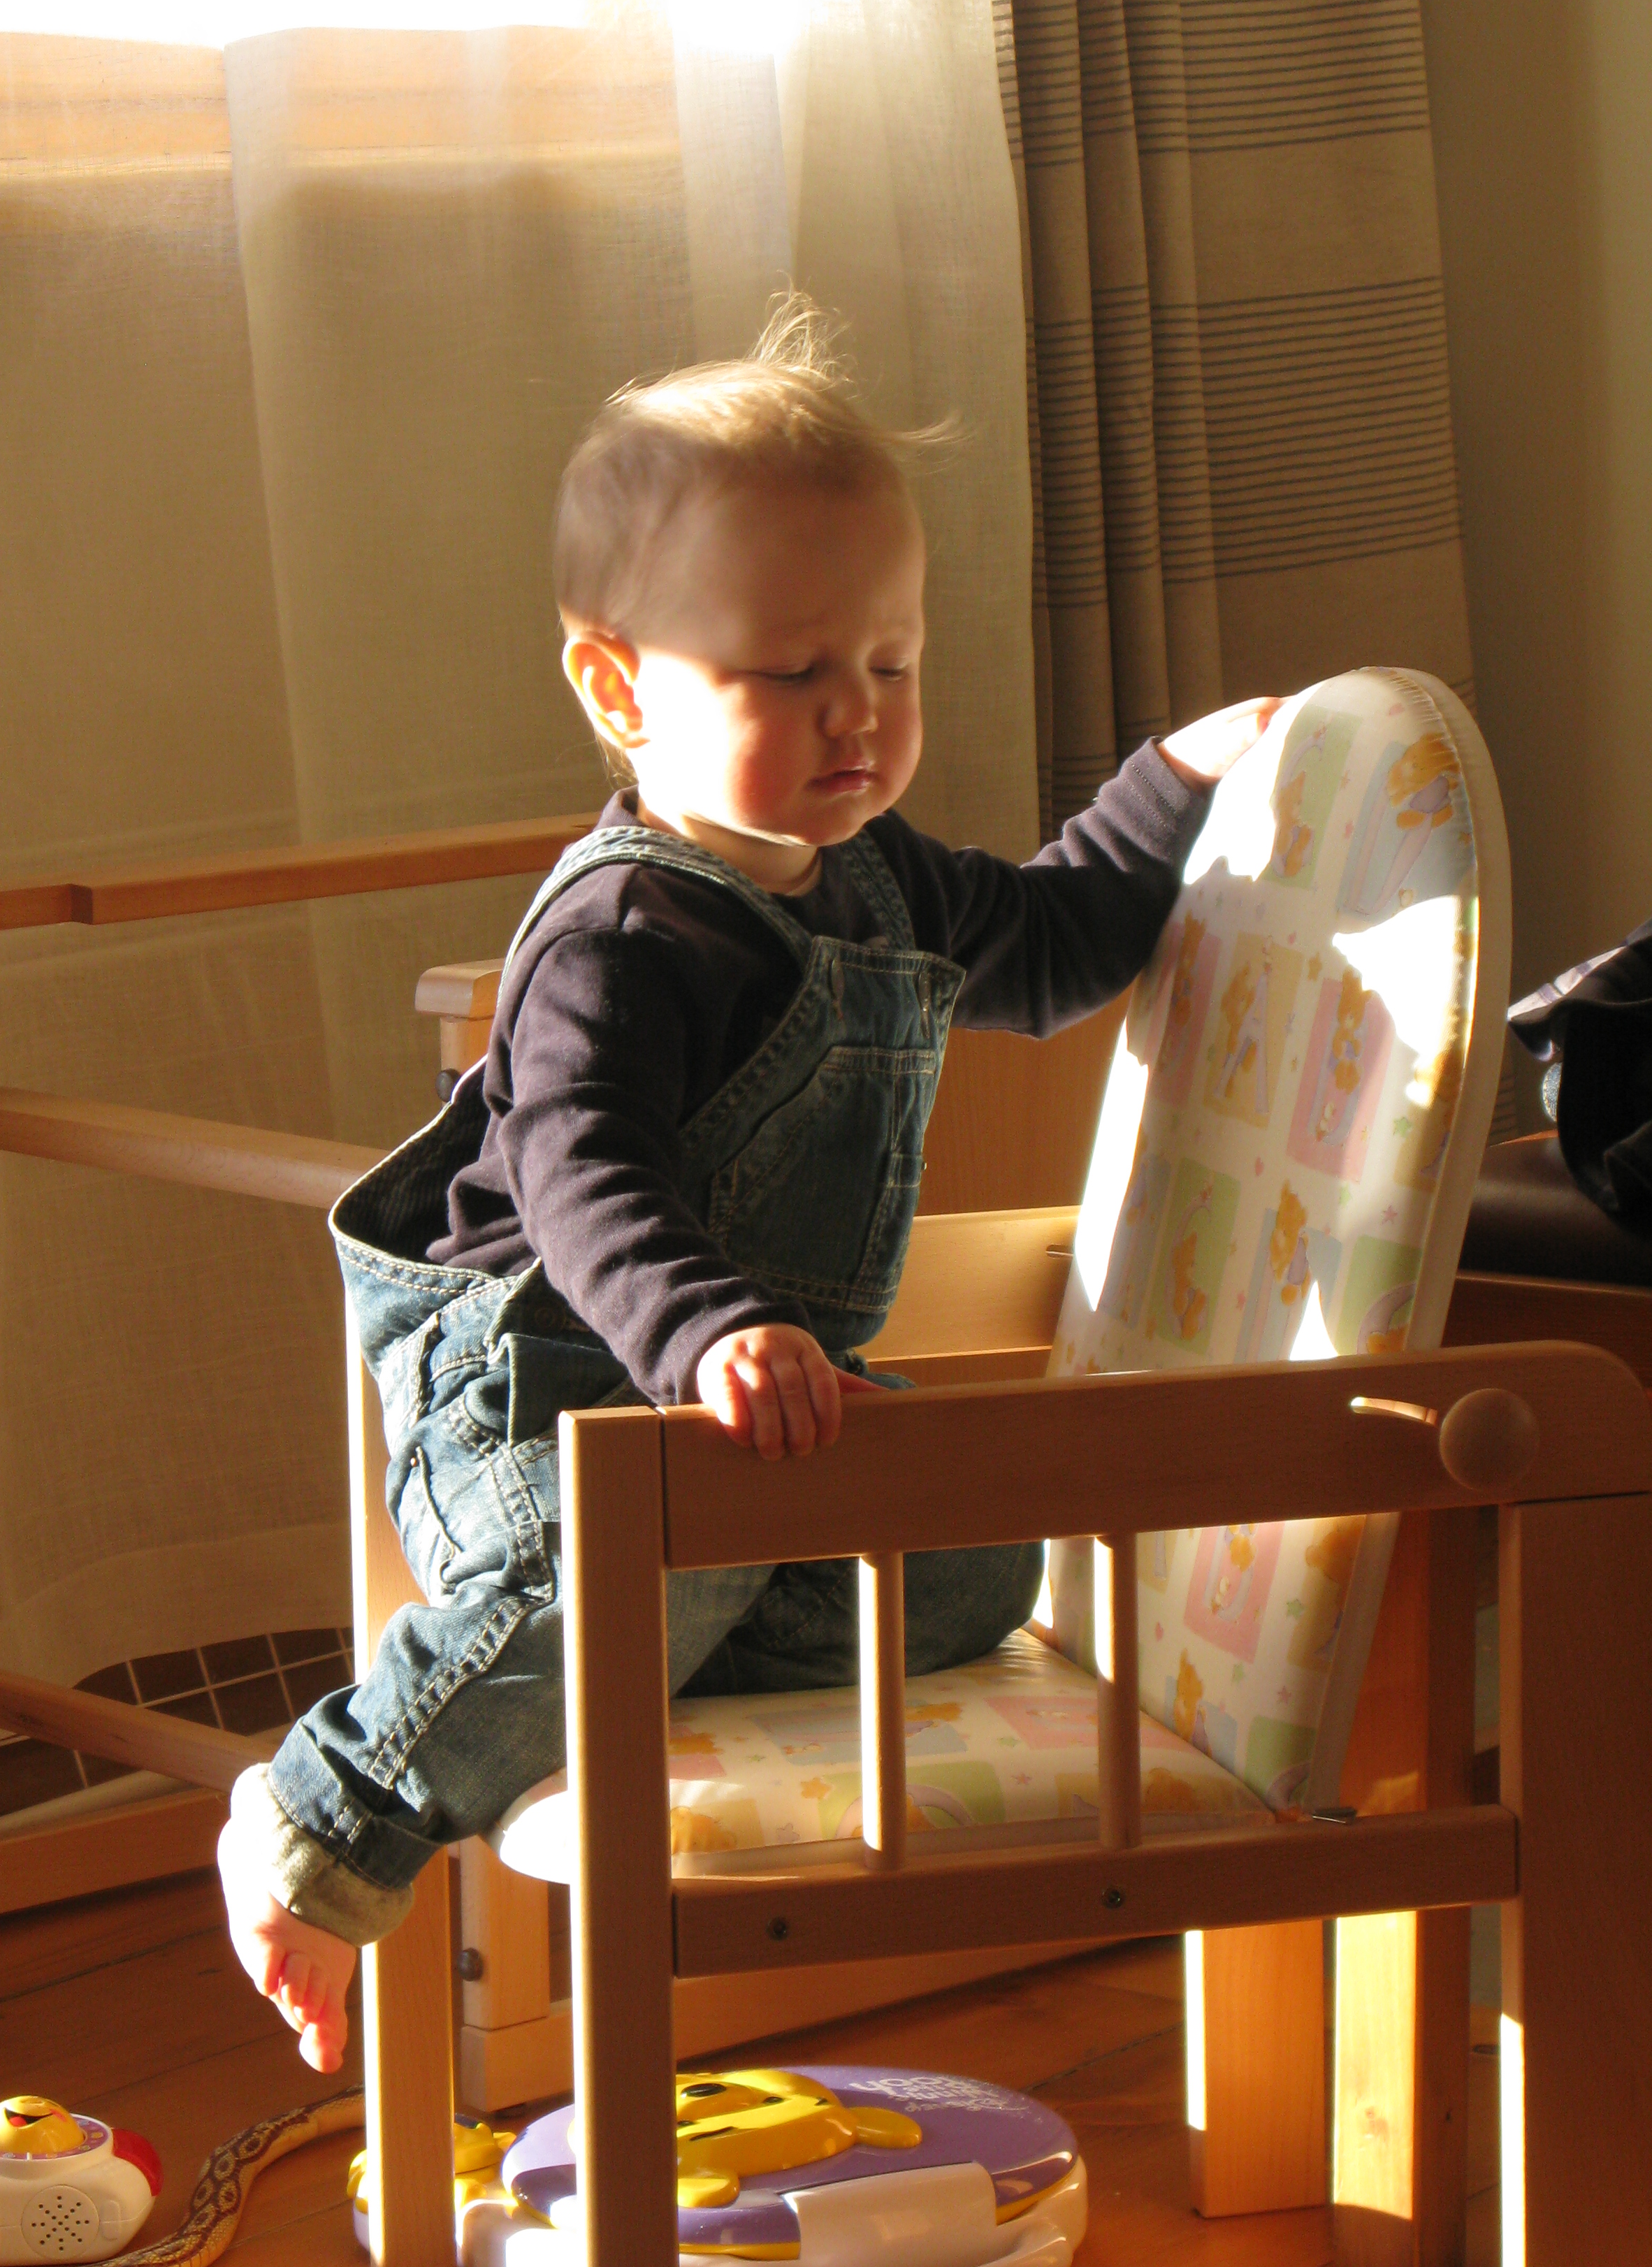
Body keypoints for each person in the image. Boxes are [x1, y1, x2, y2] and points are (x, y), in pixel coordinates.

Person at [218, 300, 1273, 2070]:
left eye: (891, 664)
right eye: (793, 674)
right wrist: (707, 1331)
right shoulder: (623, 928)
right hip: (544, 1396)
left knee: (977, 1567)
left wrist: (1176, 777)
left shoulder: (879, 876)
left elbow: (1056, 942)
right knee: (633, 1568)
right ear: (619, 685)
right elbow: (583, 1172)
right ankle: (329, 1812)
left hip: (755, 1418)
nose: (857, 715)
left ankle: (676, 1621)